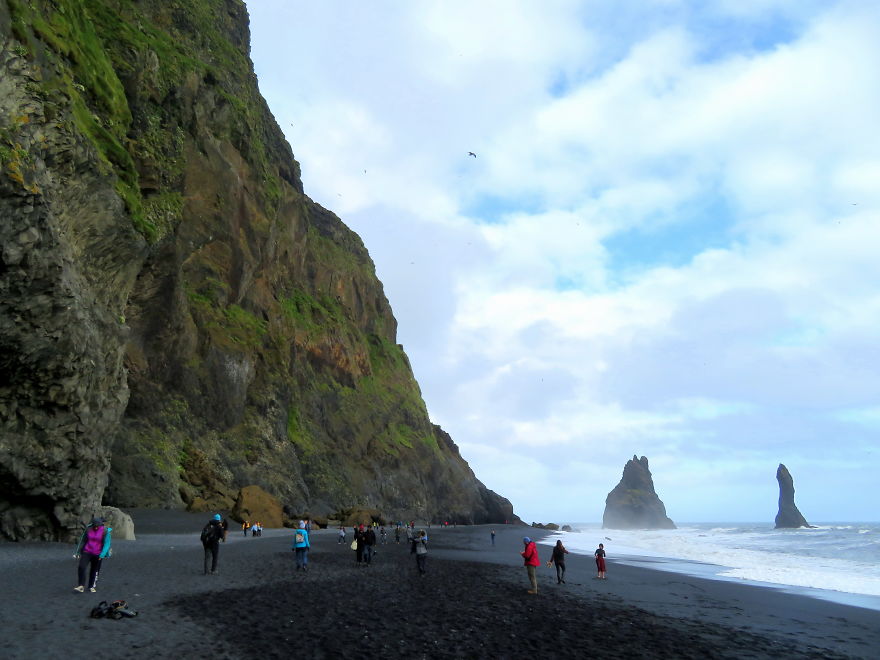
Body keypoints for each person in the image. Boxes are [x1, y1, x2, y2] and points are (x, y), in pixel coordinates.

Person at [74, 517, 112, 593]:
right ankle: (81, 585)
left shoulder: (105, 531)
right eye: (94, 526)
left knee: (94, 570)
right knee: (82, 566)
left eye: (97, 526)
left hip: (98, 553)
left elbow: (107, 544)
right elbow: (82, 540)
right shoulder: (88, 529)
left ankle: (91, 586)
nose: (96, 527)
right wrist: (77, 552)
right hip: (87, 551)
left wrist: (102, 555)